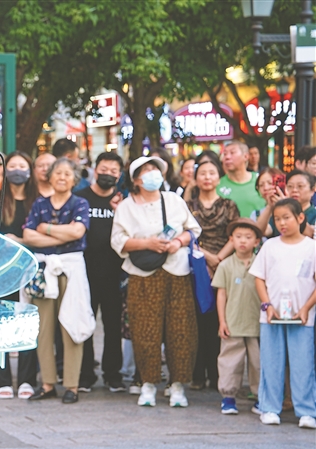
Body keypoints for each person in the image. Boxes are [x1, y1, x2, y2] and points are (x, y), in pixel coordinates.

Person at [110, 156, 201, 408]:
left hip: (177, 271)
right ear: (136, 180)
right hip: (142, 275)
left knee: (180, 329)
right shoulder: (126, 206)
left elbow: (193, 229)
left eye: (156, 170)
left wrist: (177, 242)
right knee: (144, 330)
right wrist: (147, 243)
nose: (153, 174)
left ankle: (177, 385)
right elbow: (117, 240)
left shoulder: (173, 200)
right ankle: (148, 383)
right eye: (147, 171)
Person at [22, 157, 91, 403]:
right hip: (44, 270)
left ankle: (72, 384)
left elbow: (78, 232)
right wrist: (63, 235)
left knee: (72, 324)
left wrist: (47, 229)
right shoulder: (40, 203)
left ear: (74, 179)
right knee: (43, 328)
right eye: (57, 173)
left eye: (67, 173)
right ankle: (48, 383)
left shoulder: (80, 203)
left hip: (71, 269)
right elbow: (28, 235)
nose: (62, 177)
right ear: (50, 177)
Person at [0, 151, 40, 399]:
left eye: (22, 165)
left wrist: (21, 241)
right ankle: (1, 379)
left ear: (29, 170)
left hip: (28, 269)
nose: (17, 170)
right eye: (12, 165)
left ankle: (26, 379)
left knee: (28, 322)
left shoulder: (38, 200)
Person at [250, 198, 316, 429]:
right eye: (277, 219)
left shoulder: (311, 247)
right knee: (271, 362)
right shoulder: (270, 246)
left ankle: (307, 410)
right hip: (272, 315)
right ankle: (269, 407)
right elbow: (259, 278)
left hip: (302, 315)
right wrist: (267, 305)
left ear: (300, 218)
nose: (281, 223)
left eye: (286, 217)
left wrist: (306, 308)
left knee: (303, 363)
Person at [186, 157, 239, 391]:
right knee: (197, 320)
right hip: (196, 266)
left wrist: (218, 259)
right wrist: (207, 258)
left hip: (224, 265)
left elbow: (236, 235)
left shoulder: (229, 205)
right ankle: (197, 373)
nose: (207, 177)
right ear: (196, 178)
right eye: (203, 173)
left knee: (219, 319)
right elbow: (186, 235)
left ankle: (218, 375)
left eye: (212, 173)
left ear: (219, 178)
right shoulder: (188, 206)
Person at [76, 152, 126, 393]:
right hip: (84, 272)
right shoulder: (80, 198)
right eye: (104, 169)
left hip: (115, 273)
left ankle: (112, 375)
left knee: (113, 326)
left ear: (120, 175)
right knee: (85, 324)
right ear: (95, 170)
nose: (108, 174)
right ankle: (85, 374)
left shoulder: (123, 201)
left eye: (113, 171)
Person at [212, 218, 262, 415]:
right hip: (232, 322)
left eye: (248, 237)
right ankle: (228, 397)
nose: (243, 241)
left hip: (257, 322)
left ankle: (260, 397)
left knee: (258, 363)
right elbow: (221, 294)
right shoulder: (225, 265)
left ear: (256, 241)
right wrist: (222, 321)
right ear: (231, 240)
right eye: (238, 237)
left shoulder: (261, 264)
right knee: (230, 361)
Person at [218, 141, 265, 219]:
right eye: (225, 154)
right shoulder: (218, 184)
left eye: (232, 153)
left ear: (246, 156)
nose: (227, 157)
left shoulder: (260, 181)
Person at [252, 167, 287, 237]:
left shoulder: (294, 206)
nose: (266, 188)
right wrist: (269, 206)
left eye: (270, 183)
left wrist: (286, 205)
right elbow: (260, 232)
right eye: (261, 185)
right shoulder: (256, 214)